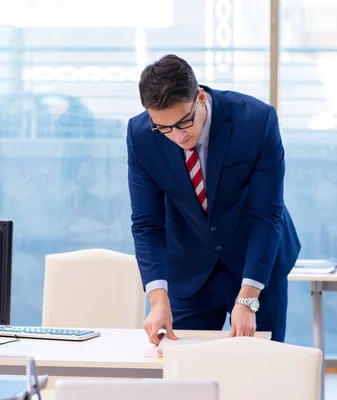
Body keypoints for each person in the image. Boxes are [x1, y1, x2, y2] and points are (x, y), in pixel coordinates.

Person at [126, 54, 301, 344]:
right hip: (191, 268)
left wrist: (248, 300)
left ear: (201, 98)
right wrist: (158, 300)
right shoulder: (141, 135)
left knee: (261, 374)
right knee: (185, 375)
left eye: (184, 123)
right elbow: (146, 224)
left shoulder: (256, 121)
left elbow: (266, 215)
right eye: (164, 128)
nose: (177, 136)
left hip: (256, 261)